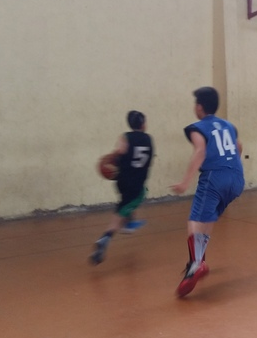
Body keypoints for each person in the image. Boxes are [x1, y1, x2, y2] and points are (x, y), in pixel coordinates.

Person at [171, 87, 244, 298]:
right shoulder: (228, 125)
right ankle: (199, 259)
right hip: (236, 178)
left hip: (214, 177)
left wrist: (185, 182)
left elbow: (200, 151)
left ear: (199, 107)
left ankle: (196, 265)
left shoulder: (198, 127)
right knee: (208, 217)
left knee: (195, 219)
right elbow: (238, 147)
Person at [90, 110, 154, 265]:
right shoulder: (148, 139)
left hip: (122, 182)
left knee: (125, 204)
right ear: (143, 124)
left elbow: (119, 153)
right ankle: (106, 237)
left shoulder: (125, 137)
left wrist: (108, 159)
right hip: (137, 184)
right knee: (127, 207)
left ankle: (129, 222)